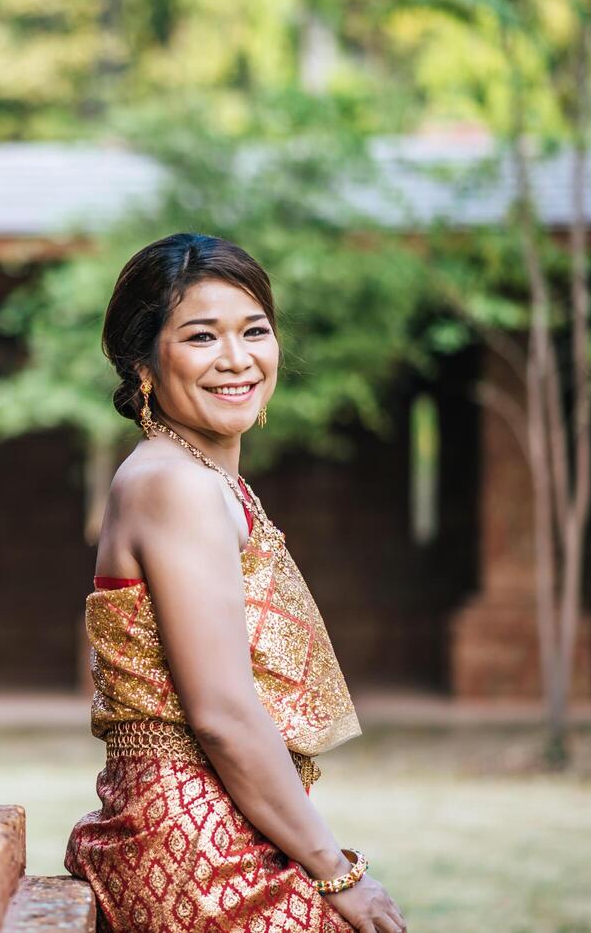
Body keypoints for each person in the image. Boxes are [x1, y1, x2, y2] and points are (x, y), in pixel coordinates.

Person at [63, 233, 407, 933]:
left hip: (216, 816)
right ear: (142, 362)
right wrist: (337, 873)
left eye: (254, 330)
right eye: (200, 336)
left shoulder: (205, 479)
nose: (236, 359)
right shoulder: (173, 485)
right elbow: (220, 713)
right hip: (188, 844)